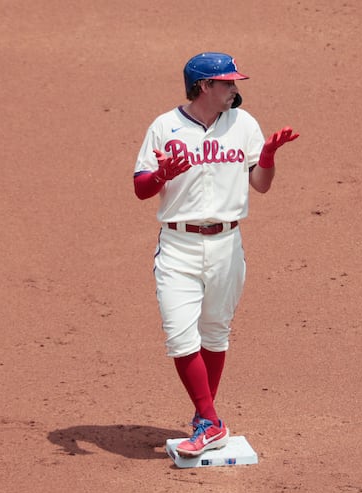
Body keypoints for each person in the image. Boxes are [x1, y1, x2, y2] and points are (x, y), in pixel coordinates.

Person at [133, 53, 298, 458]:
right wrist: (162, 176)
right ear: (204, 86)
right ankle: (211, 420)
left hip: (226, 244)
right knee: (179, 335)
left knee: (214, 332)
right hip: (178, 245)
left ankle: (204, 422)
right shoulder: (164, 126)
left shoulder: (244, 124)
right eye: (227, 83)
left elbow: (260, 185)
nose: (235, 89)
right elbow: (141, 188)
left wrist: (270, 158)